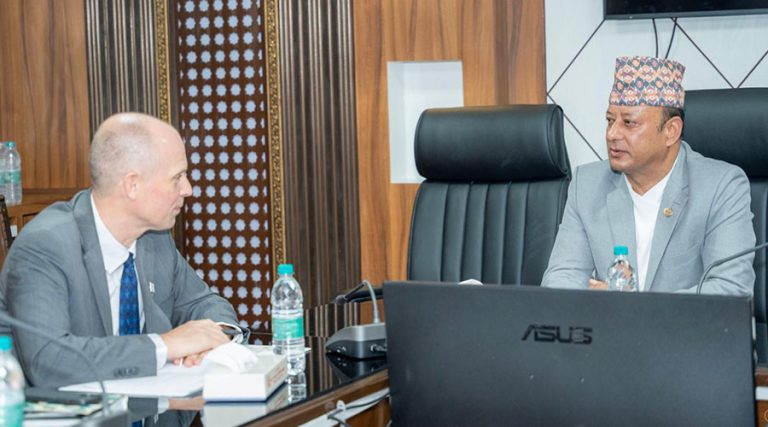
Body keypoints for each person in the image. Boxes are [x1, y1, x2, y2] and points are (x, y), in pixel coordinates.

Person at [0, 112, 242, 387]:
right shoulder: (44, 246)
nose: (188, 189)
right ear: (132, 185)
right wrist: (163, 345)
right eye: (177, 177)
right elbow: (49, 362)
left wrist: (212, 338)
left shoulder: (154, 238)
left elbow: (204, 303)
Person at [541, 56, 755, 295]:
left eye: (629, 123)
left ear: (671, 131)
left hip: (682, 323)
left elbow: (731, 288)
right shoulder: (587, 185)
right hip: (609, 321)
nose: (612, 134)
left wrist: (636, 307)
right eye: (610, 120)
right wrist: (604, 302)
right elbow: (560, 278)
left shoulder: (721, 187)